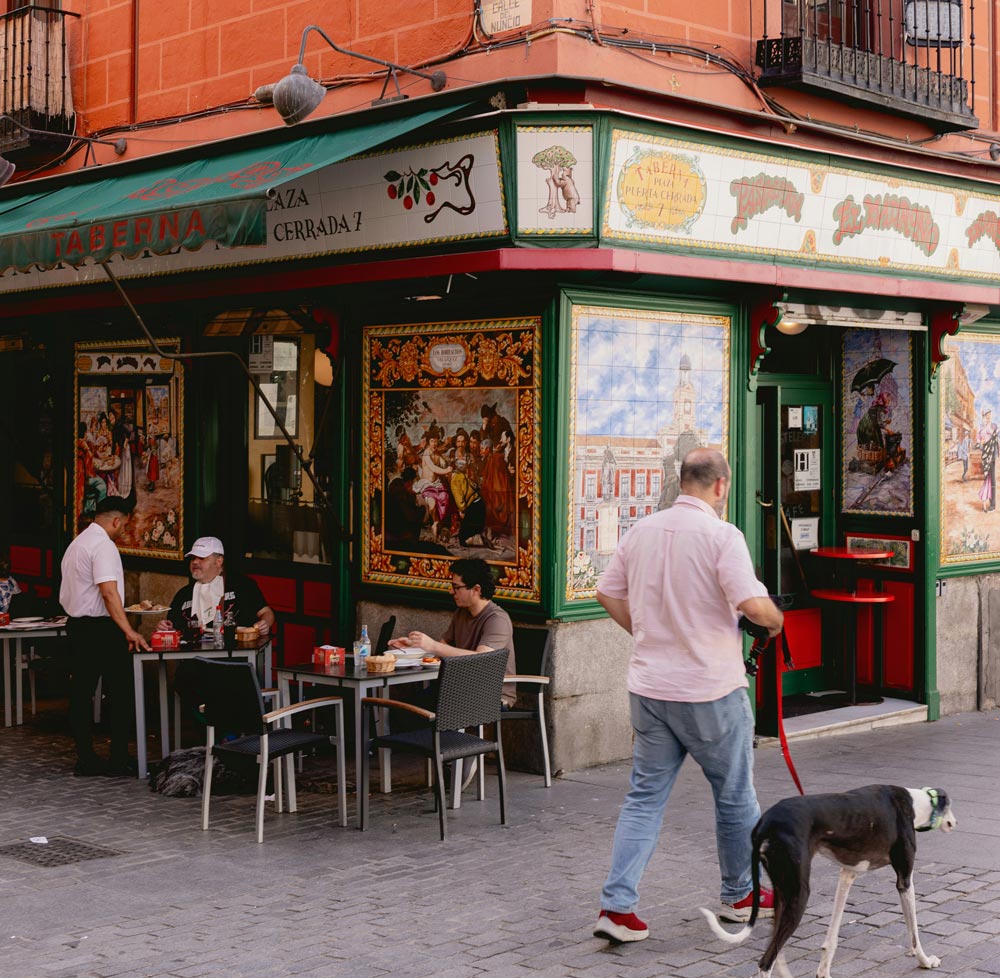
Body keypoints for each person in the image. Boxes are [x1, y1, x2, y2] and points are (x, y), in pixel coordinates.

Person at [592, 447, 784, 944]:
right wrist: (777, 618)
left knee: (643, 798)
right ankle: (740, 893)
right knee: (735, 794)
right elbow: (751, 605)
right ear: (720, 486)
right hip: (709, 689)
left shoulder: (642, 531)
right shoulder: (723, 536)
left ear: (684, 481)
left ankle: (617, 907)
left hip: (651, 688)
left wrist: (646, 632)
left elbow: (607, 593)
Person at [59, 496, 151, 777]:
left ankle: (85, 756)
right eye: (123, 524)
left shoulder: (77, 544)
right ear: (116, 520)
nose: (122, 529)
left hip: (76, 625)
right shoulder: (104, 546)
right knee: (121, 692)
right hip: (101, 628)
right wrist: (128, 629)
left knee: (81, 693)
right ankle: (118, 758)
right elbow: (109, 593)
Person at [388, 557, 516, 708]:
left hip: (491, 694)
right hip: (459, 687)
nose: (451, 591)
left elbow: (482, 660)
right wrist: (414, 648)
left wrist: (433, 646)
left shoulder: (497, 619)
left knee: (422, 709)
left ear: (476, 589)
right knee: (404, 706)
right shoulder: (461, 613)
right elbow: (443, 648)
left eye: (456, 587)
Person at [159, 536, 275, 636]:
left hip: (235, 655)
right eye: (193, 558)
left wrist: (265, 623)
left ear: (219, 561)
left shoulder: (242, 585)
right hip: (194, 658)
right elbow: (171, 626)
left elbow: (266, 612)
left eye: (202, 558)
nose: (195, 562)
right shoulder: (183, 594)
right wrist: (165, 627)